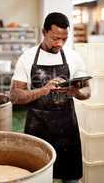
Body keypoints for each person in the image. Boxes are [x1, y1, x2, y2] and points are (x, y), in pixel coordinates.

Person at [10, 12, 91, 183]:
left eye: (64, 39)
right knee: (37, 177)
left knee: (71, 178)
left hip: (67, 128)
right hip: (38, 128)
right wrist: (42, 90)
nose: (59, 43)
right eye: (55, 38)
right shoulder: (28, 57)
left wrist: (76, 92)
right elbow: (15, 96)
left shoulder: (73, 57)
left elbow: (87, 92)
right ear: (44, 32)